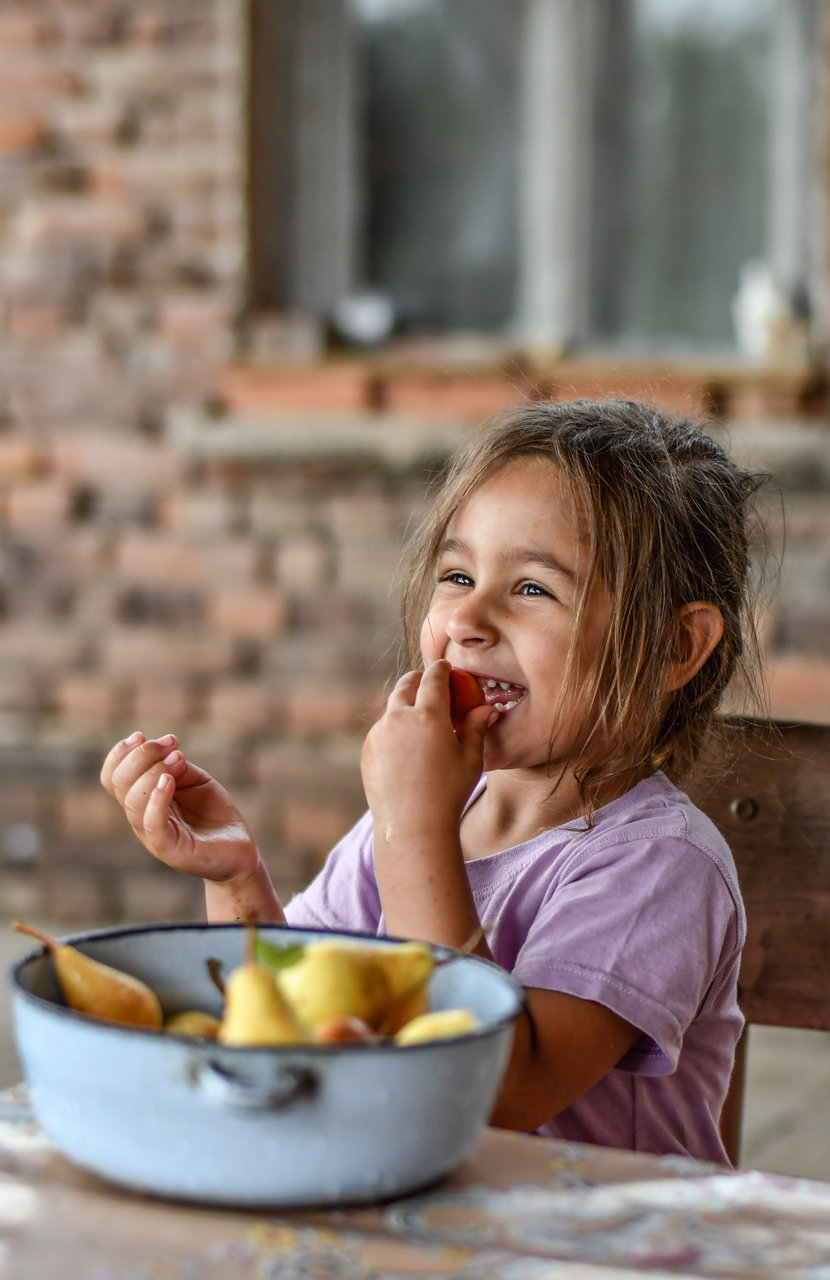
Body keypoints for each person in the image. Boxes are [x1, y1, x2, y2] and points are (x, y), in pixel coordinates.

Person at [101, 398, 769, 1165]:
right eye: (457, 574)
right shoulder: (427, 819)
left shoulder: (660, 866)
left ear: (675, 647)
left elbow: (498, 1088)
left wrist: (413, 826)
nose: (467, 620)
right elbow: (288, 1019)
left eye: (531, 589)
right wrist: (237, 877)